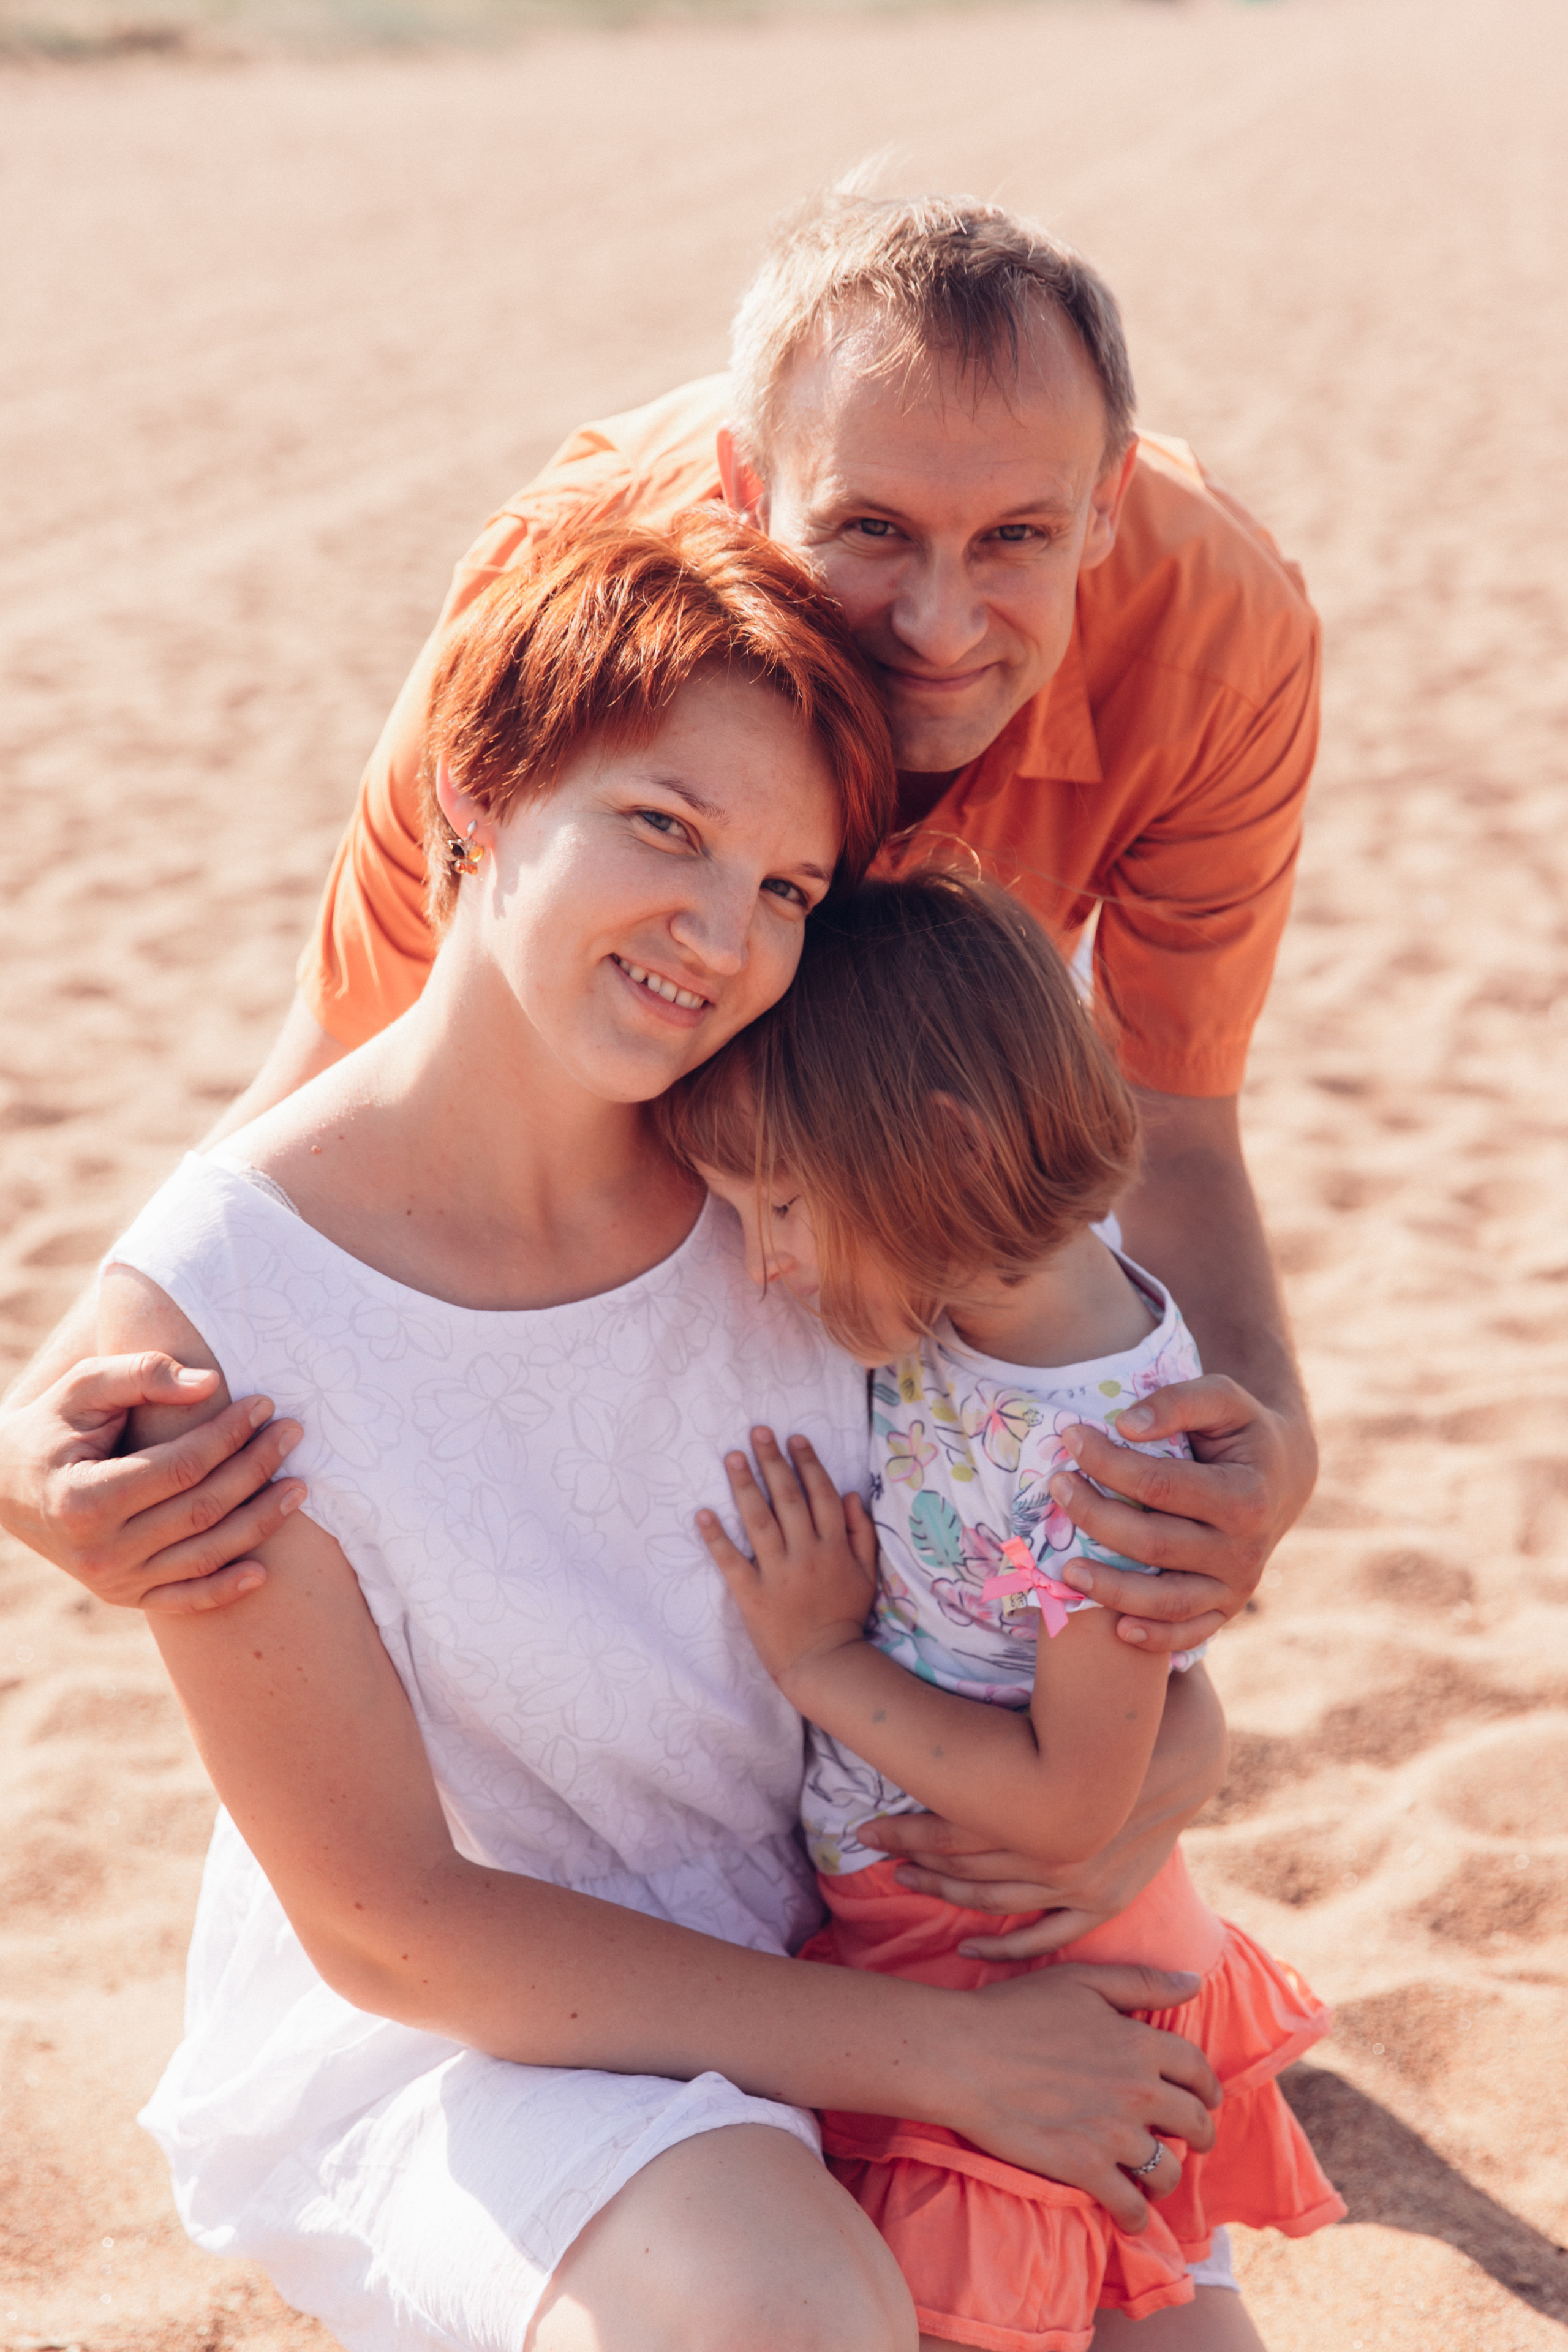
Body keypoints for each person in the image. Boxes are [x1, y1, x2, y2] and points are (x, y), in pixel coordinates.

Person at [98, 516, 1231, 2352]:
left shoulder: (801, 1181)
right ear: (477, 791)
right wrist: (941, 2057)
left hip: (878, 1938)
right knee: (779, 2313)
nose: (721, 936)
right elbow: (390, 1926)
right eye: (665, 828)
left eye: (788, 887)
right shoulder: (226, 1324)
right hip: (500, 2047)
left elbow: (1046, 1536)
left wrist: (1165, 1753)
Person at [1, 186, 1320, 1720]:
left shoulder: (1219, 637)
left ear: (1101, 510)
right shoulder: (565, 616)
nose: (940, 624)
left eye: (1016, 538)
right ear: (746, 481)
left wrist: (1270, 1450)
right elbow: (349, 1052)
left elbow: (1170, 1119)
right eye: (869, 532)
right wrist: (43, 1417)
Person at [665, 872, 1346, 2350]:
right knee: (1116, 2297)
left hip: (1013, 1956)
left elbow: (1062, 1809)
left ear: (941, 1152)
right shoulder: (957, 1313)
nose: (765, 1259)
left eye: (781, 1206)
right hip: (950, 1937)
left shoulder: (1106, 1456)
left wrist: (816, 1656)